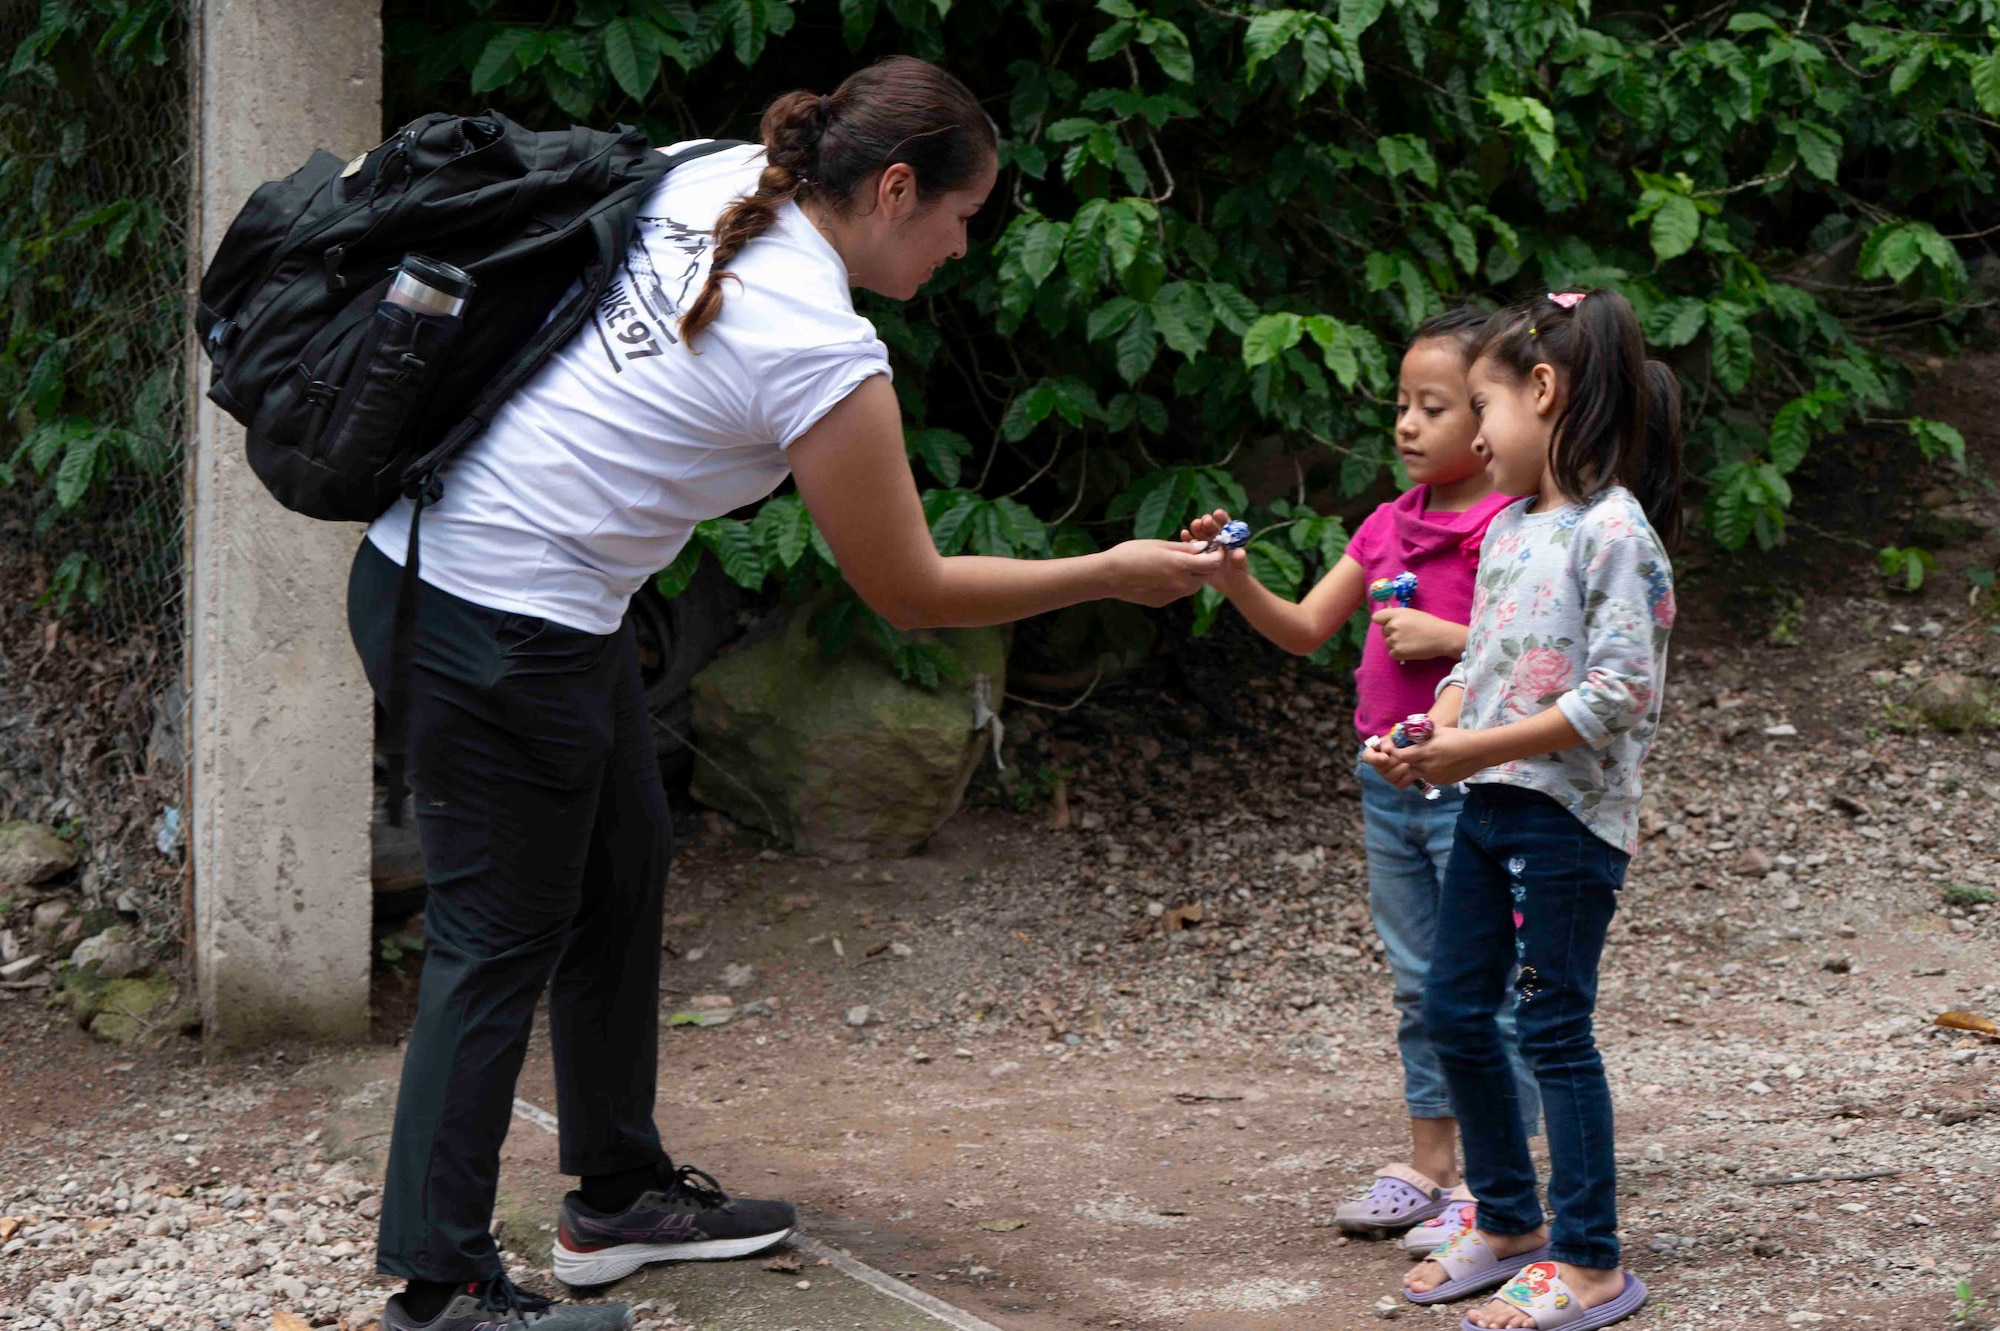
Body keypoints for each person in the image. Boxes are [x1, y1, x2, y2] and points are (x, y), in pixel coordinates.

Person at [347, 56, 1224, 1331]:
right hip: (492, 619)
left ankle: (617, 1192)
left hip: (482, 581)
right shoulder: (817, 340)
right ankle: (441, 1289)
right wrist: (1106, 569)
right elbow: (910, 590)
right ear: (893, 186)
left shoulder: (720, 172)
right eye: (961, 217)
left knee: (621, 861)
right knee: (495, 936)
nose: (963, 247)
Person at [1182, 309, 1541, 1245]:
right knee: (1420, 981)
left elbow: (1550, 655)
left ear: (1494, 413)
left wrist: (1451, 638)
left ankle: (1508, 1179)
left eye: (1435, 407)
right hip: (1388, 785)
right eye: (1402, 405)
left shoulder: (1516, 526)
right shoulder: (1384, 525)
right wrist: (1234, 579)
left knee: (1495, 984)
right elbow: (1303, 629)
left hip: (1481, 787)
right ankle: (1431, 1164)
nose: (1408, 426)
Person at [1368, 288, 1682, 1330]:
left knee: (1552, 1029)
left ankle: (1589, 1259)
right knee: (1458, 1011)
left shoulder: (1613, 533)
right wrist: (1432, 731)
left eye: (1479, 405)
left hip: (1565, 823)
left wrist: (1473, 744)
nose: (1471, 432)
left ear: (1540, 393)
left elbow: (1614, 696)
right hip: (1487, 801)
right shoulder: (1507, 528)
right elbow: (1484, 658)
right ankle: (1505, 1220)